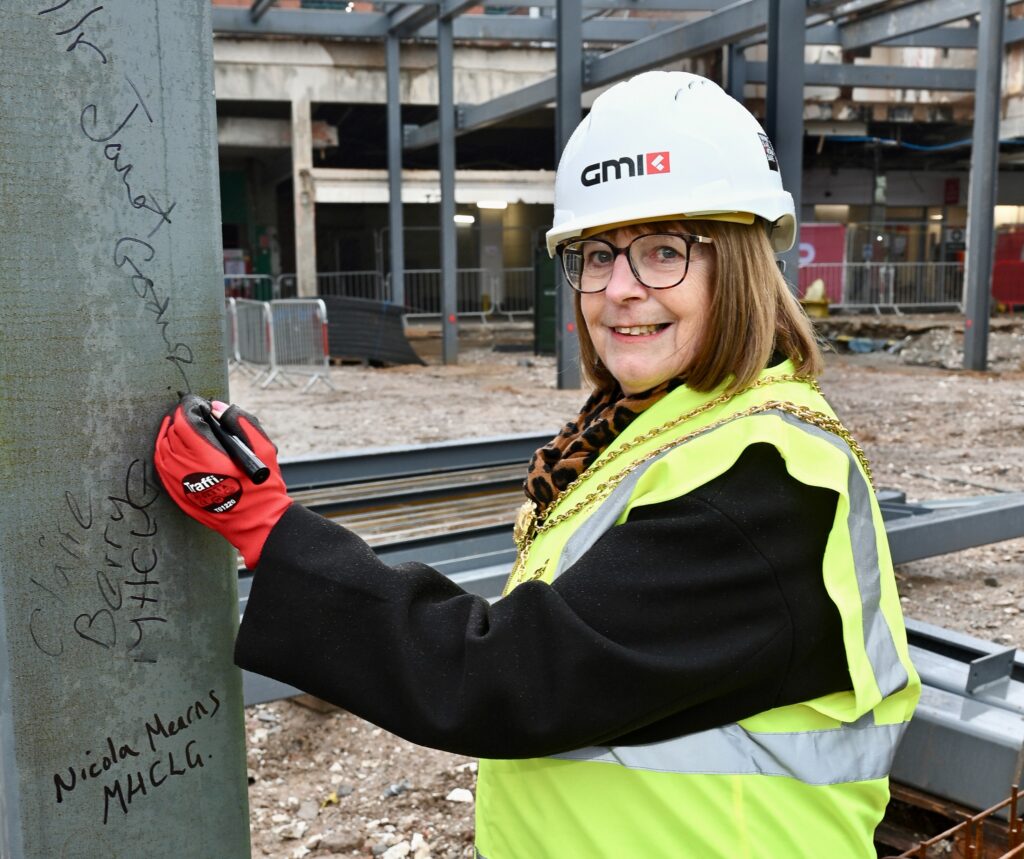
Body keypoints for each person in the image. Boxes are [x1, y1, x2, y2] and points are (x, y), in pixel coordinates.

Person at [154, 70, 920, 858]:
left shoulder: (761, 484)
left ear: (743, 263)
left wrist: (269, 529)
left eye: (663, 252)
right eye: (596, 254)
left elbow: (505, 674)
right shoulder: (657, 431)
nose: (619, 289)